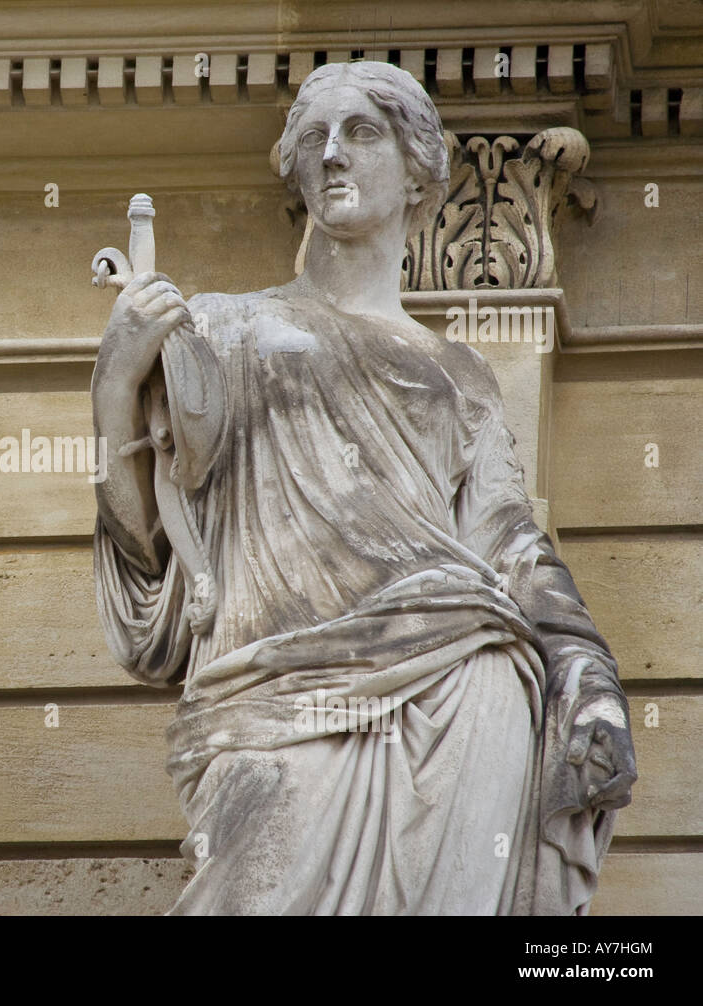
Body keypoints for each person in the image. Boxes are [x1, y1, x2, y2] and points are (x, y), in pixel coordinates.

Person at [91, 61, 636, 915]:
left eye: (360, 132)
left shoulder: (460, 373)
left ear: (419, 167)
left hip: (462, 683)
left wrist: (586, 672)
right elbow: (153, 554)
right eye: (314, 139)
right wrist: (117, 384)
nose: (333, 155)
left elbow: (512, 544)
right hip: (270, 699)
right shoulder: (226, 328)